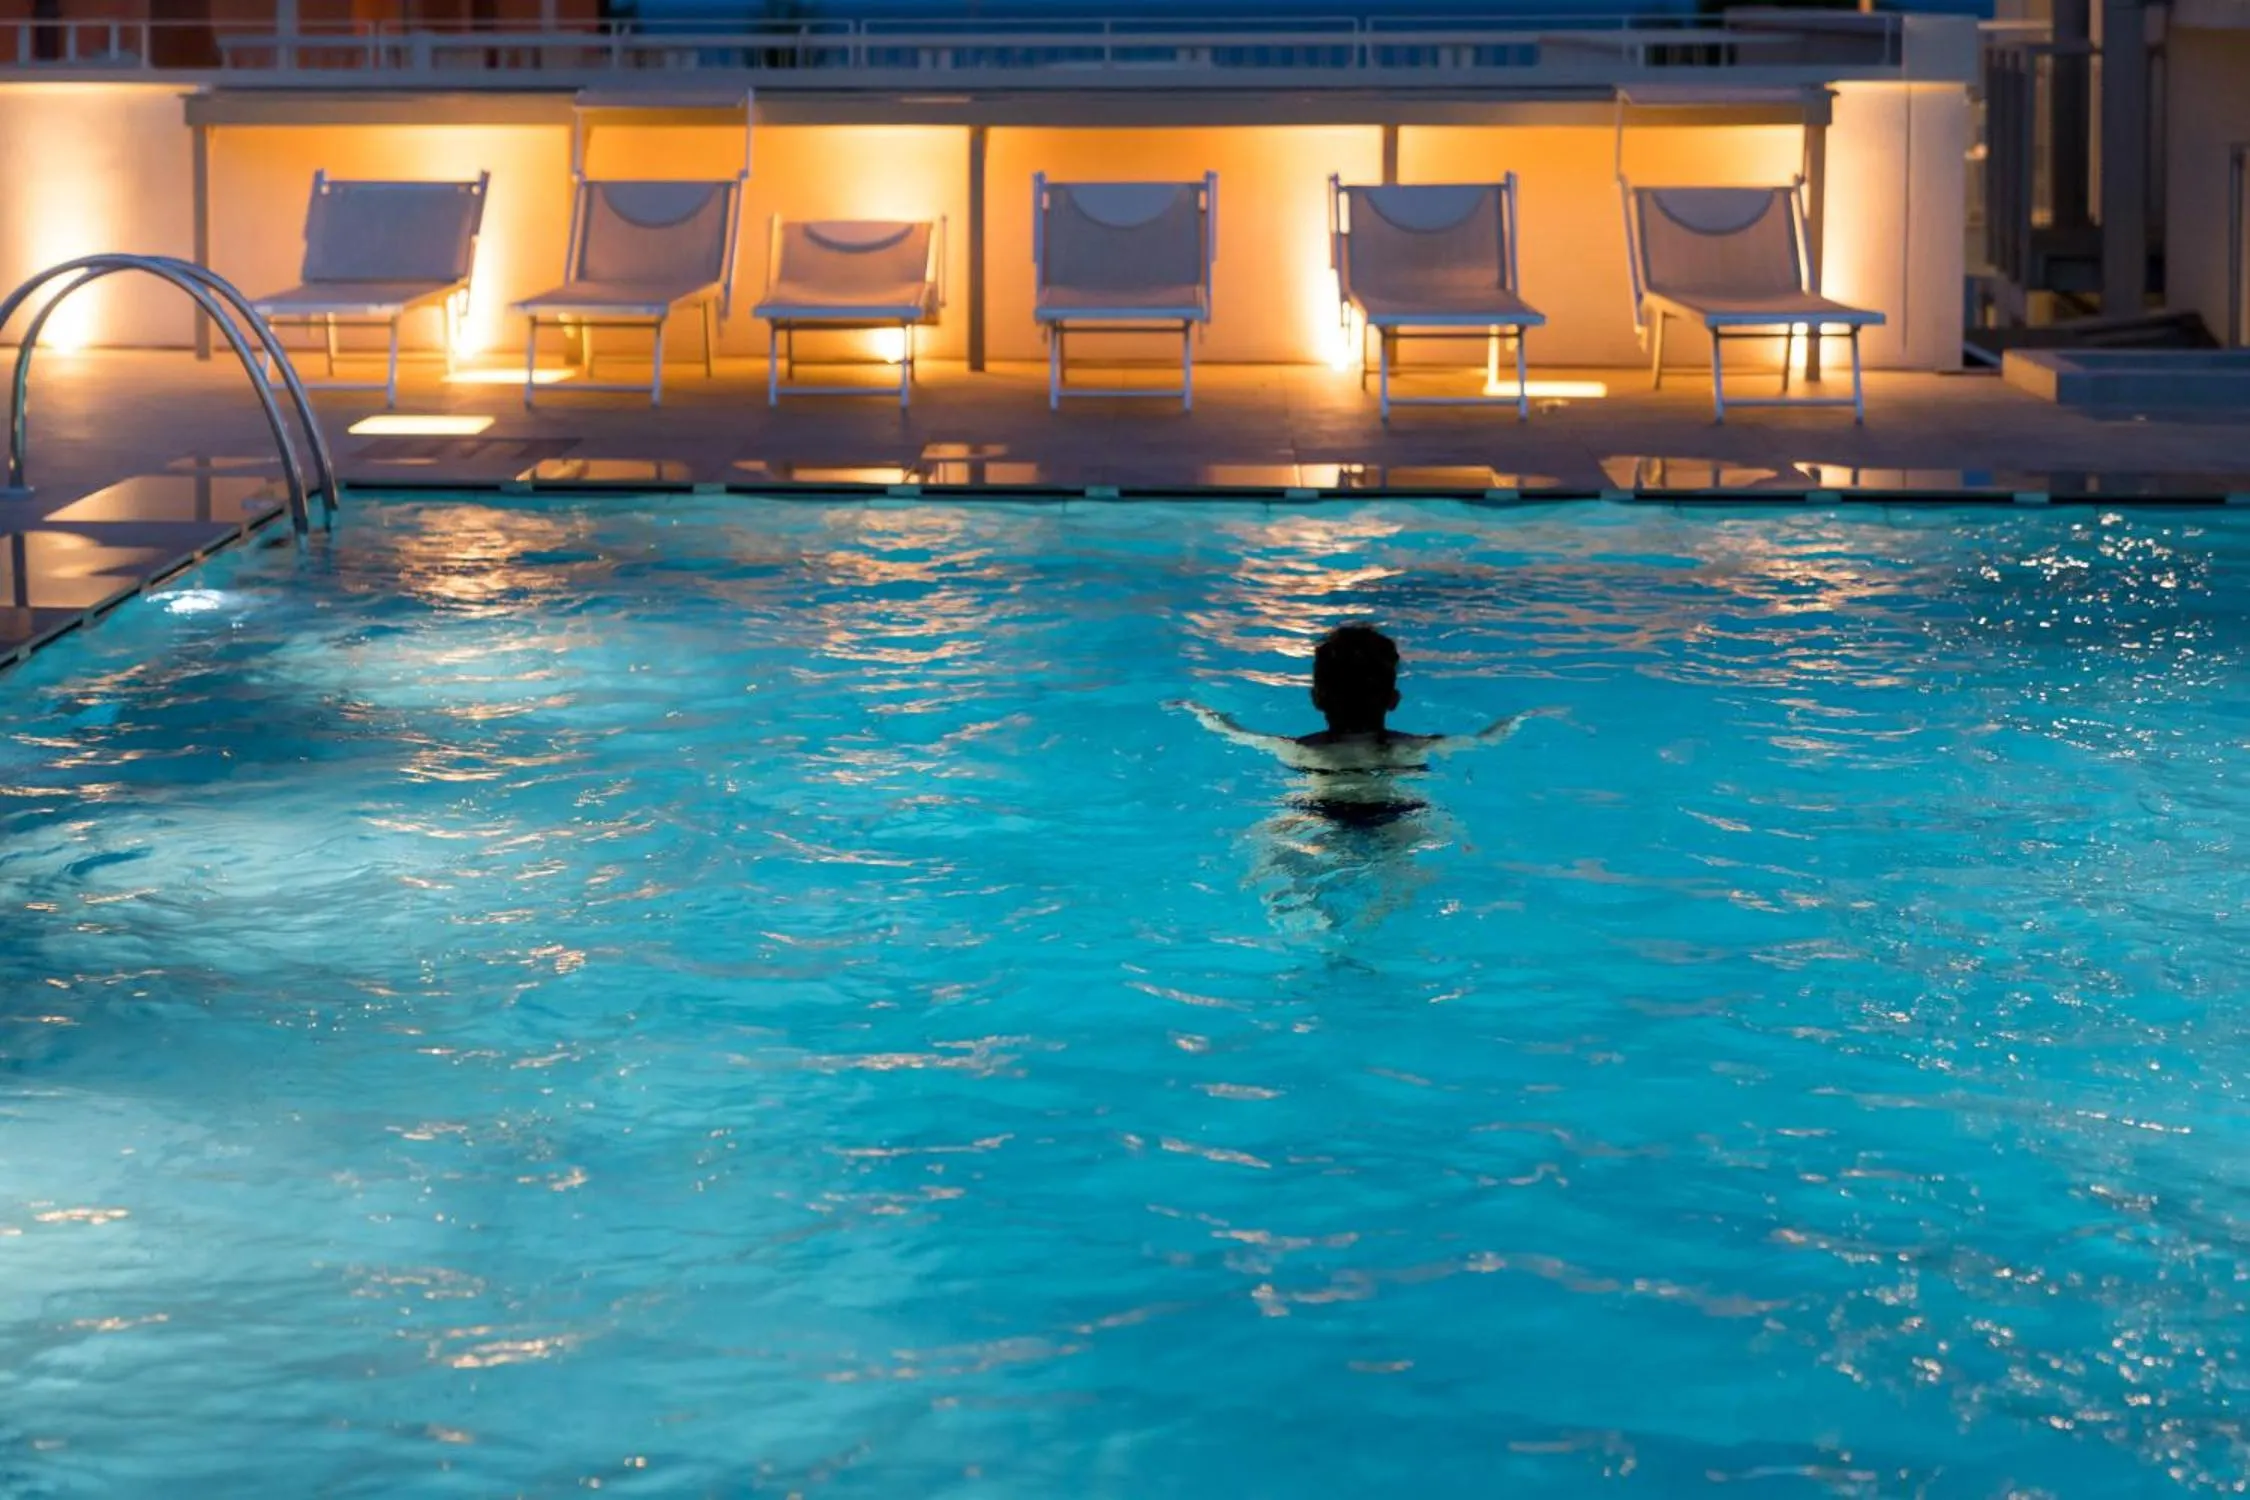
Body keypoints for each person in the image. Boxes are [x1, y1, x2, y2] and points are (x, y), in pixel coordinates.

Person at [1169, 622, 1545, 829]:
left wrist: (1197, 709)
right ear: (1393, 701)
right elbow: (1485, 740)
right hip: (1398, 813)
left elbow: (1233, 733)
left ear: (1317, 699)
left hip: (1317, 811)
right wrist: (1521, 718)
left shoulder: (1299, 749)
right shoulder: (1415, 747)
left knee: (1268, 843)